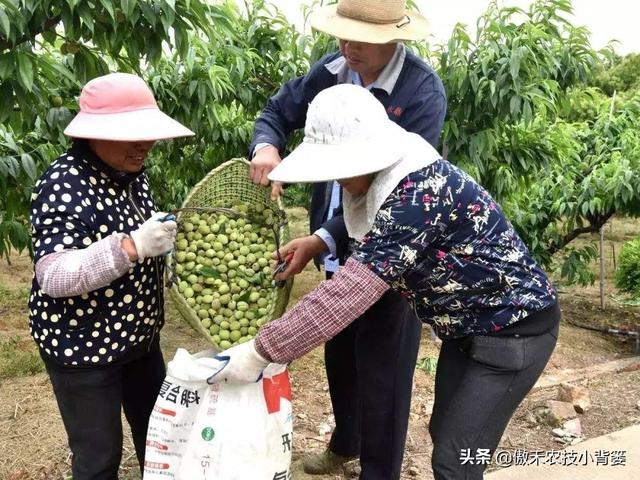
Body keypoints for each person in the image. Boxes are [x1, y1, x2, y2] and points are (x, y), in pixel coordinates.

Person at [210, 84, 562, 480]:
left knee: (456, 459)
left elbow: (349, 292)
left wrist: (261, 351)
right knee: (447, 436)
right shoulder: (389, 180)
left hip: (514, 335)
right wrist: (317, 241)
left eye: (340, 170)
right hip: (469, 333)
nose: (338, 181)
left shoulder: (417, 194)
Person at [248, 1, 446, 476]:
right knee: (341, 357)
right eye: (343, 34)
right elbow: (278, 110)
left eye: (360, 38)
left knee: (384, 375)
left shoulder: (421, 92)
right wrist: (267, 145)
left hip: (393, 250)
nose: (347, 46)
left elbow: (398, 196)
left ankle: (379, 470)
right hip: (337, 246)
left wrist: (320, 237)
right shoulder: (333, 69)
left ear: (393, 37)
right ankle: (346, 442)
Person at [28, 73, 194, 479]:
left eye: (147, 134)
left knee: (158, 437)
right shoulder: (62, 184)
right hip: (82, 348)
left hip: (138, 341)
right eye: (130, 134)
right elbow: (54, 275)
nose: (144, 145)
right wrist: (130, 246)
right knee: (99, 457)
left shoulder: (131, 175)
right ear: (93, 135)